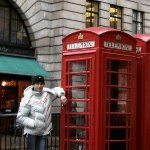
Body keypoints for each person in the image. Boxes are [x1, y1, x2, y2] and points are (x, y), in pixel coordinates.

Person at [17, 75, 67, 150]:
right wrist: (35, 124)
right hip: (32, 133)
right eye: (37, 84)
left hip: (44, 132)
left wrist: (62, 95)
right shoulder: (27, 98)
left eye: (41, 83)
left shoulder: (48, 95)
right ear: (33, 84)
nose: (39, 86)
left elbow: (57, 89)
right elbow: (20, 117)